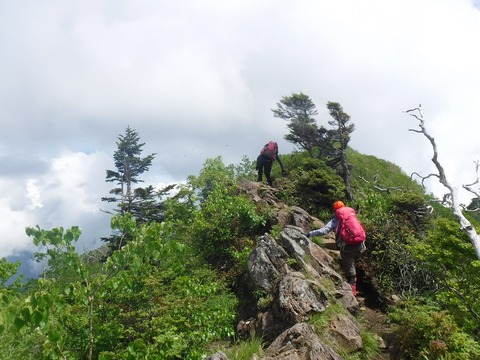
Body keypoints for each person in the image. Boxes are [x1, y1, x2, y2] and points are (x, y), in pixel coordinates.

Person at [305, 200, 366, 296]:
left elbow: (324, 231)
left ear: (335, 210)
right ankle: (363, 286)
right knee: (355, 263)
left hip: (347, 248)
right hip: (360, 246)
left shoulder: (335, 220)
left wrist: (310, 234)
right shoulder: (351, 216)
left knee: (350, 269)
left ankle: (351, 291)